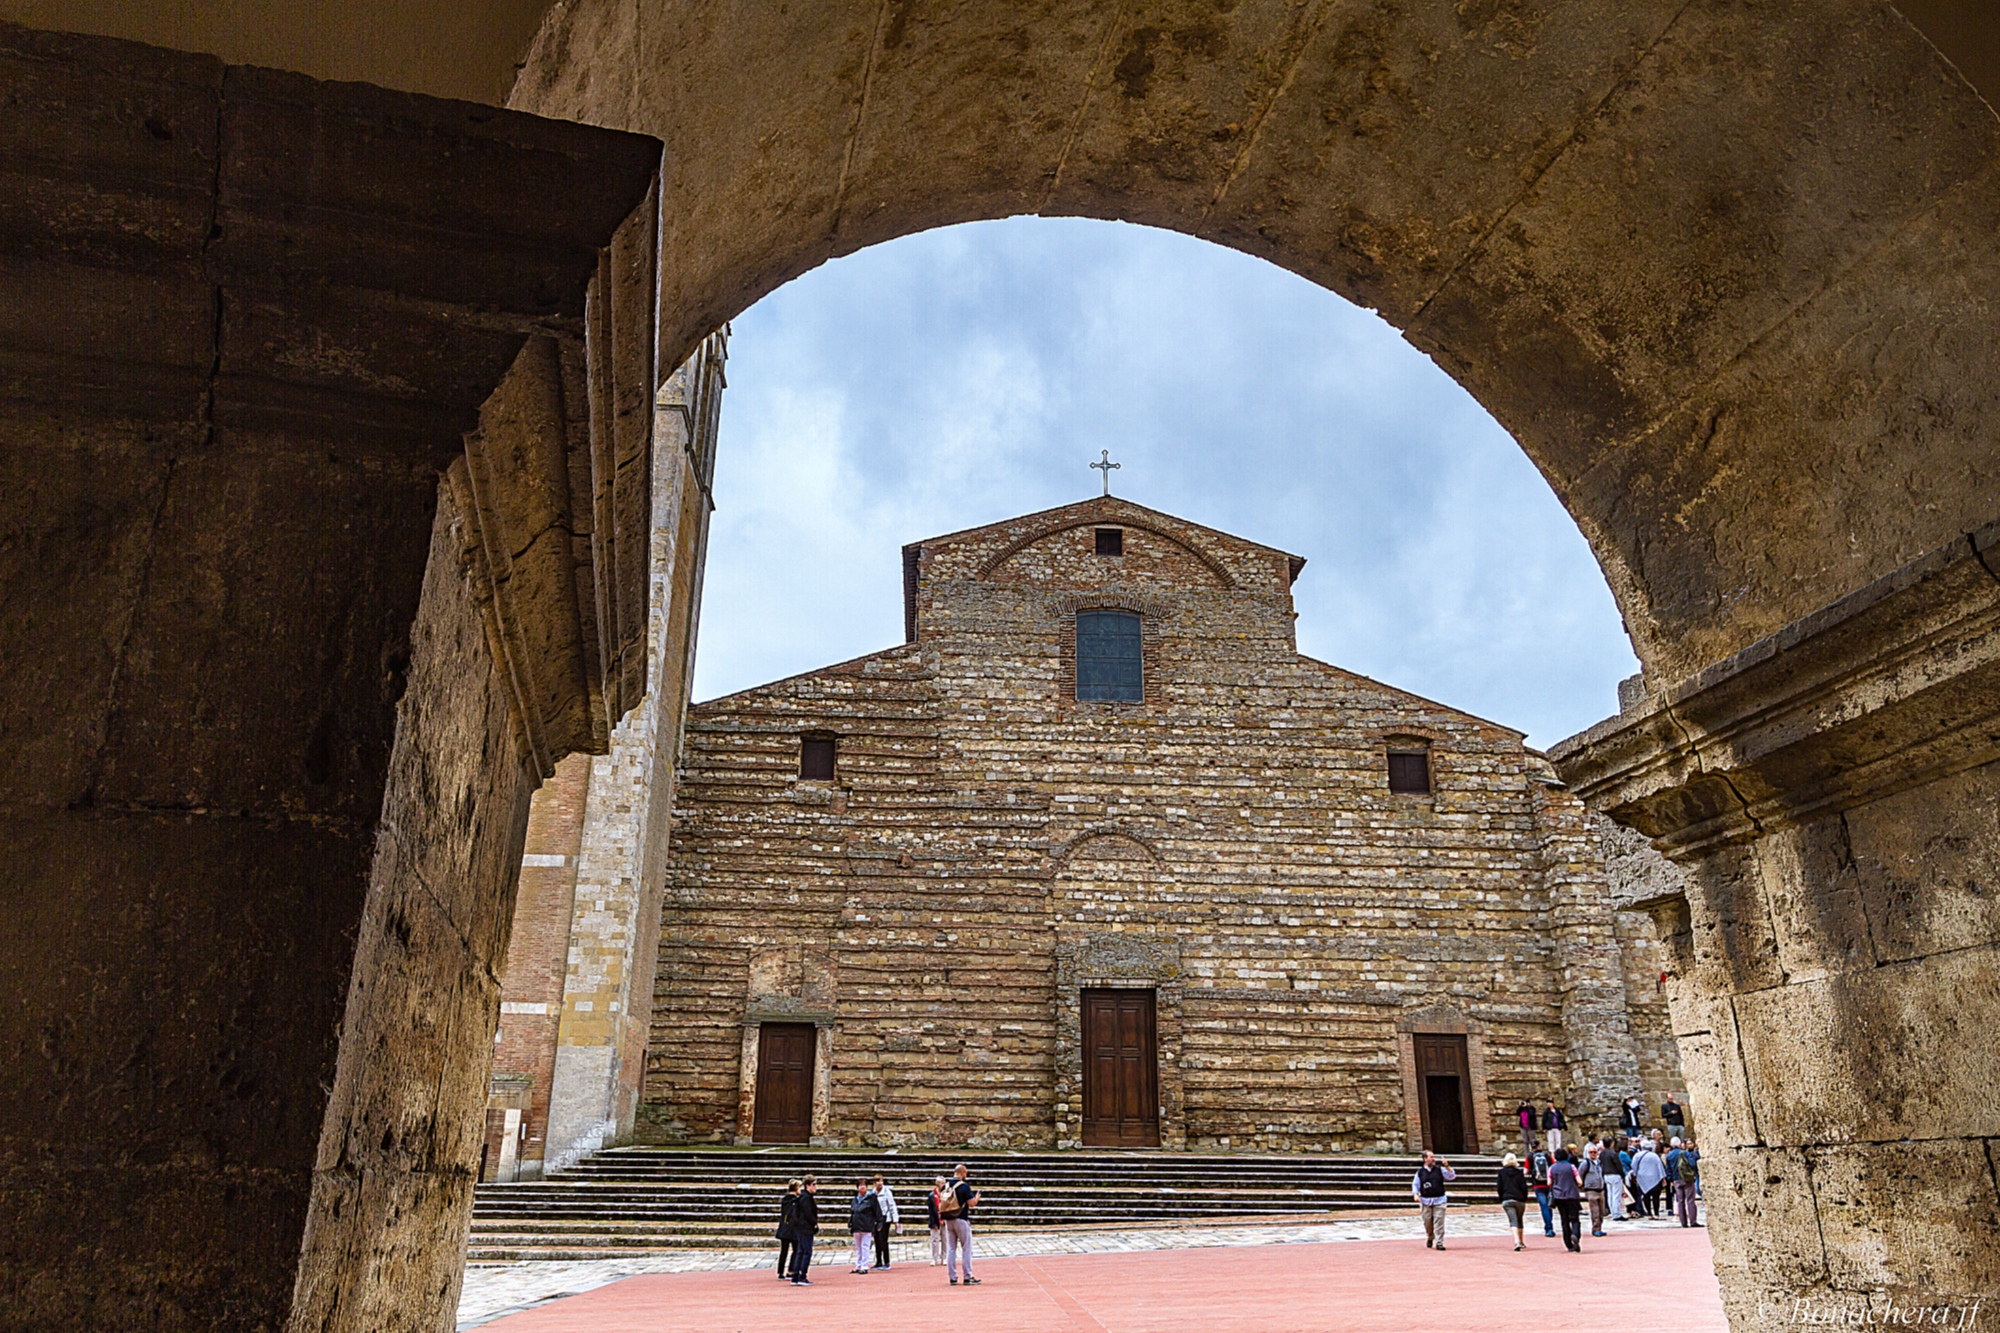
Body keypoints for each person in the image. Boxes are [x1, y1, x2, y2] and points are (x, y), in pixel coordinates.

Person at [942, 1162, 981, 1286]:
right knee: (966, 1248)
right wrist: (977, 1198)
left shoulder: (945, 1186)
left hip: (948, 1219)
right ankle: (967, 1276)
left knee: (951, 1248)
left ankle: (952, 1277)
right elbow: (971, 1203)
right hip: (961, 1218)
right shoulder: (964, 1186)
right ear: (962, 1173)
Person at [1411, 1148, 1456, 1250]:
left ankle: (1439, 1242)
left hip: (1440, 1200)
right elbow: (1415, 1184)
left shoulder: (1440, 1170)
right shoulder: (1420, 1172)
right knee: (1428, 1222)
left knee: (1439, 1221)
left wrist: (1447, 1166)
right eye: (1431, 1157)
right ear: (1425, 1159)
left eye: (1433, 1157)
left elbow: (1451, 1176)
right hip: (1425, 1201)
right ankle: (1430, 1237)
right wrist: (1415, 1194)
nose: (1433, 1159)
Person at [1548, 1148, 1583, 1252]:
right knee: (1575, 1218)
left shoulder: (1552, 1168)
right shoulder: (1571, 1167)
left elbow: (1549, 1183)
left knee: (1564, 1220)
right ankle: (1575, 1234)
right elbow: (1579, 1182)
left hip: (1559, 1196)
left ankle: (1568, 1244)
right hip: (1572, 1195)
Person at [1496, 1152, 1530, 1251]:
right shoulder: (1519, 1172)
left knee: (1513, 1221)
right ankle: (1521, 1240)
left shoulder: (1502, 1173)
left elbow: (1499, 1187)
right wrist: (1524, 1198)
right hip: (1519, 1199)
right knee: (1520, 1220)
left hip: (1507, 1198)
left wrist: (1502, 1197)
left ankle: (1517, 1241)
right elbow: (1524, 1186)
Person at [848, 1177, 883, 1273]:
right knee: (858, 1248)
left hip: (867, 1226)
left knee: (865, 1246)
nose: (862, 1187)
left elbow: (877, 1211)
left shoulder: (871, 1199)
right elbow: (853, 1212)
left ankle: (864, 1266)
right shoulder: (855, 1200)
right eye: (860, 1185)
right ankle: (858, 1265)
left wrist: (879, 1223)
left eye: (864, 1185)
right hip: (856, 1226)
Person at [788, 1176, 819, 1284]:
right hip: (805, 1228)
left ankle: (796, 1276)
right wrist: (814, 1223)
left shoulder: (803, 1197)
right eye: (813, 1185)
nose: (815, 1187)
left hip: (801, 1228)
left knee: (801, 1251)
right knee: (806, 1251)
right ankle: (802, 1276)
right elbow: (808, 1213)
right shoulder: (806, 1198)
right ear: (807, 1186)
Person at [1632, 1140, 1666, 1218]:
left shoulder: (1637, 1155)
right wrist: (1663, 1178)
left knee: (1646, 1196)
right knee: (1656, 1197)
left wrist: (1635, 1175)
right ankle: (1656, 1213)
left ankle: (1650, 1214)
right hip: (1655, 1178)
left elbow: (1634, 1166)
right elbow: (1660, 1167)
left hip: (1642, 1178)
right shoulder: (1655, 1156)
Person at [872, 1174, 899, 1270]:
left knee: (883, 1240)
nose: (880, 1183)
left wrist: (895, 1220)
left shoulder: (887, 1192)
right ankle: (878, 1261)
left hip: (885, 1218)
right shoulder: (873, 1193)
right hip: (875, 1219)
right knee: (877, 1240)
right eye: (878, 1181)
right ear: (874, 1183)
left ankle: (886, 1261)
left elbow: (892, 1205)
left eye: (881, 1181)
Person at [1580, 1143, 1608, 1237]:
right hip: (1591, 1189)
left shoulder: (1599, 1163)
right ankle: (1595, 1228)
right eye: (1591, 1152)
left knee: (1601, 1211)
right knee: (1595, 1210)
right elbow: (1580, 1174)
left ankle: (1599, 1227)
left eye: (1594, 1152)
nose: (1593, 1154)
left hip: (1600, 1189)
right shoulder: (1585, 1163)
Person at [1529, 1142, 1556, 1237]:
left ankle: (1548, 1228)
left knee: (1544, 1207)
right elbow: (1554, 1166)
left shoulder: (1530, 1157)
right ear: (1540, 1146)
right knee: (1549, 1206)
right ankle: (1550, 1227)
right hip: (1548, 1184)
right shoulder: (1547, 1155)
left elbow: (1525, 1171)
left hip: (1537, 1185)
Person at [776, 1178, 800, 1280]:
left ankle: (780, 1272)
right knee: (796, 1249)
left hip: (784, 1228)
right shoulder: (795, 1201)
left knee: (784, 1251)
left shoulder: (785, 1200)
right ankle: (791, 1270)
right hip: (792, 1228)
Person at [1674, 1139, 1702, 1227]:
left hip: (1676, 1180)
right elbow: (1693, 1164)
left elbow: (1668, 1169)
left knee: (1680, 1201)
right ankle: (1693, 1221)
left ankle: (1683, 1222)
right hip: (1687, 1179)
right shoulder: (1685, 1153)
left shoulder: (1669, 1155)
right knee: (1690, 1200)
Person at [1603, 1134, 1627, 1220]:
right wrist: (1622, 1174)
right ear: (1611, 1144)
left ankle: (1613, 1212)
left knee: (1610, 1195)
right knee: (1616, 1195)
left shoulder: (1602, 1153)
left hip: (1606, 1174)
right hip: (1615, 1174)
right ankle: (1616, 1213)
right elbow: (1618, 1165)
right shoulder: (1613, 1153)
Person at [927, 1175, 948, 1265]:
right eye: (942, 1183)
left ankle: (945, 1257)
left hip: (945, 1219)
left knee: (945, 1239)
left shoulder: (947, 1194)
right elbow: (931, 1211)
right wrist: (933, 1223)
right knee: (934, 1240)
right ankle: (934, 1258)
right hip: (935, 1219)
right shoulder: (932, 1195)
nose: (944, 1185)